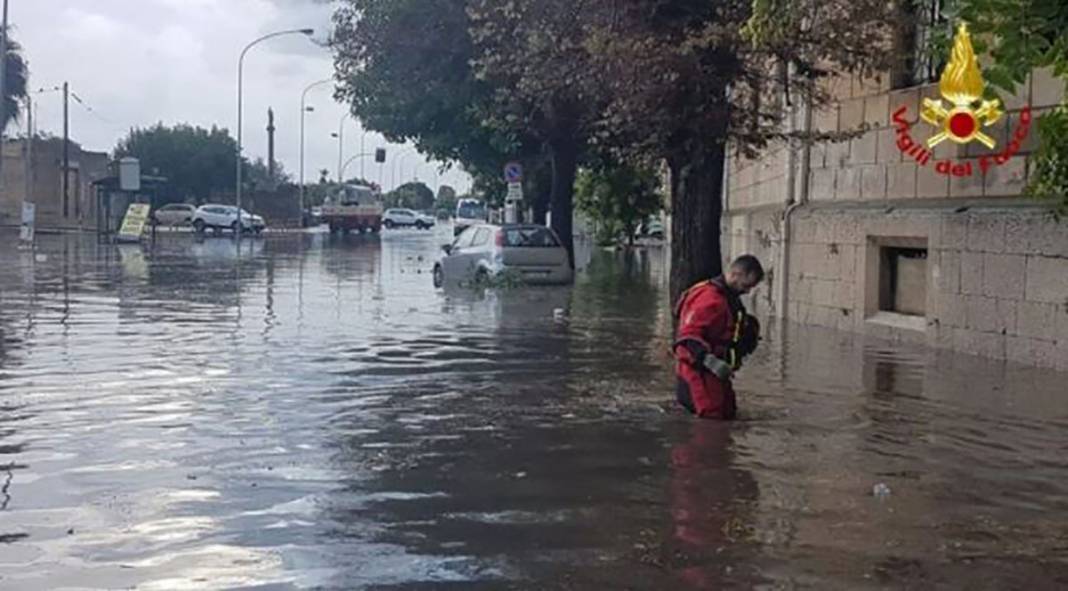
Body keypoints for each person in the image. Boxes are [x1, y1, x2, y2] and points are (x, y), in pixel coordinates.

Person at [672, 255, 765, 420]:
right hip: (698, 371)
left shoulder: (729, 298)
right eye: (746, 285)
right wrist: (710, 362)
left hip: (717, 372)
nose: (747, 291)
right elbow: (686, 341)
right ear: (735, 274)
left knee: (729, 413)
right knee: (710, 418)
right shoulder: (708, 299)